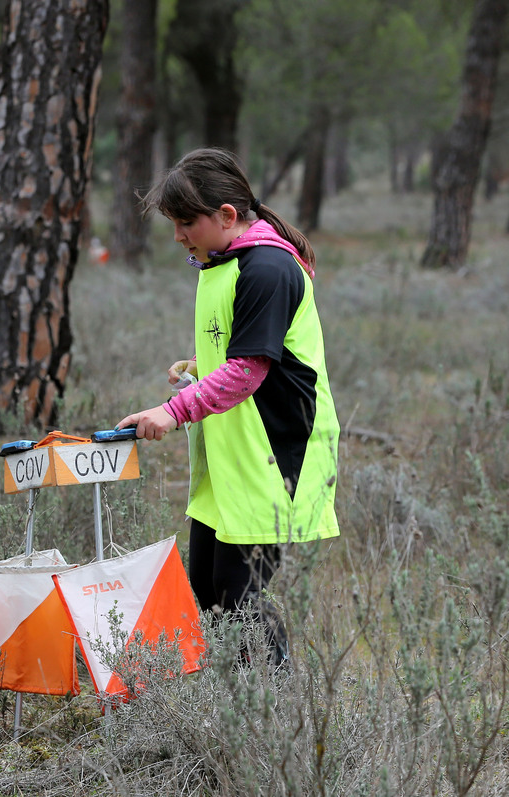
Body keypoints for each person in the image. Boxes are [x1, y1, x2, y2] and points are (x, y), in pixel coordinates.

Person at [116, 148, 340, 667]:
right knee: (210, 593)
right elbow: (244, 351)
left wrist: (171, 412)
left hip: (277, 456)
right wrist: (201, 365)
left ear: (227, 216)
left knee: (240, 600)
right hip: (230, 459)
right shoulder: (223, 263)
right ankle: (239, 711)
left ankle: (271, 720)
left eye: (185, 222)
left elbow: (249, 370)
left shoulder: (268, 268)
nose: (178, 236)